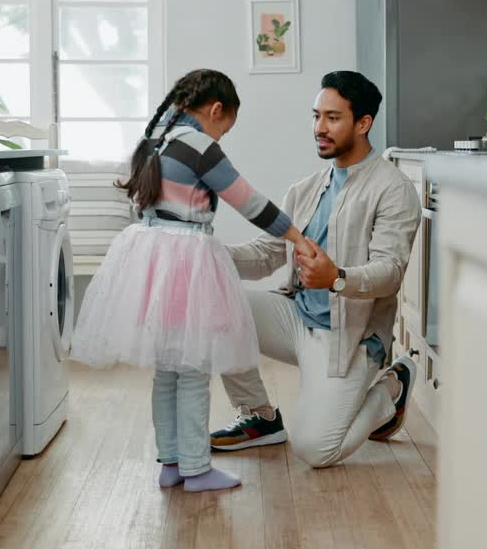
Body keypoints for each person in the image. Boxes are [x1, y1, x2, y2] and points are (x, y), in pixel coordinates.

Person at [70, 68, 315, 492]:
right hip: (186, 261)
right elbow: (249, 202)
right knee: (194, 369)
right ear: (216, 110)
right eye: (226, 127)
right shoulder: (200, 146)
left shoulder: (156, 141)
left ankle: (170, 463)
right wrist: (297, 237)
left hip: (149, 256)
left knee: (167, 370)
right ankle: (198, 469)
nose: (223, 138)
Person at [209, 70, 422, 468]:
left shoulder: (393, 189)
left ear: (363, 123)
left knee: (315, 450)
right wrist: (210, 253)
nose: (318, 128)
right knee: (214, 305)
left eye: (332, 118)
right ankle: (260, 417)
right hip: (296, 318)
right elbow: (267, 254)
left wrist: (336, 279)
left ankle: (391, 388)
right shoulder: (305, 188)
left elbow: (390, 271)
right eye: (316, 116)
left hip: (349, 338)